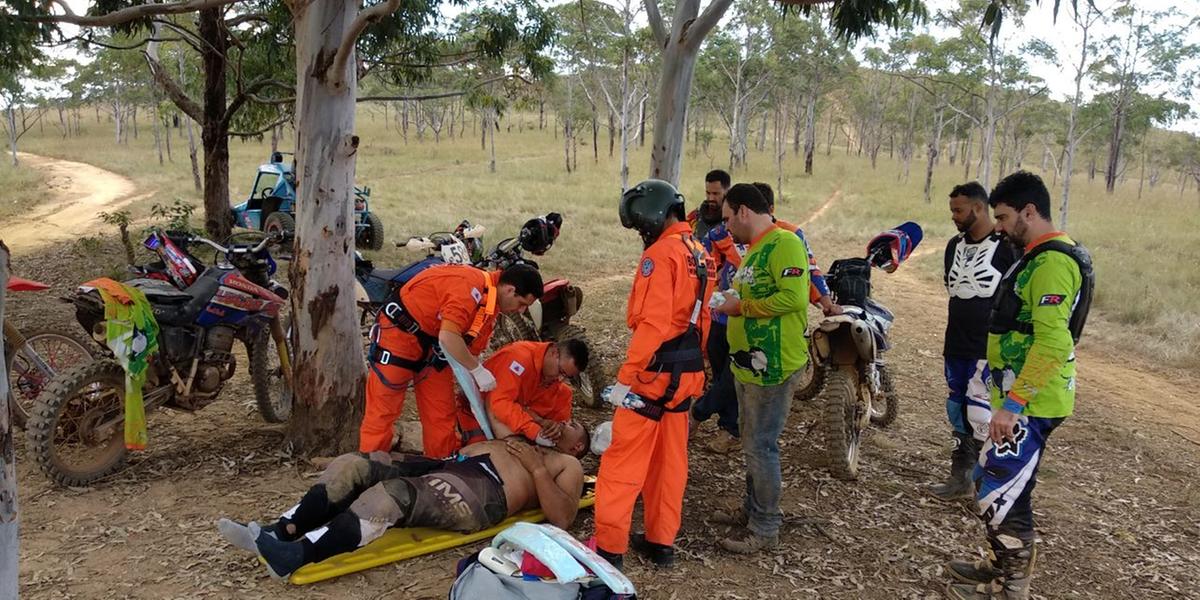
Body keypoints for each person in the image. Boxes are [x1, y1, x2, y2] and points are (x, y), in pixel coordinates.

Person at [947, 171, 1093, 600]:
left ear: (1030, 211)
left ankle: (1011, 586)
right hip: (1018, 395)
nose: (998, 226)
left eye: (1005, 216)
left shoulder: (1052, 263)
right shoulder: (1037, 254)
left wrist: (1012, 405)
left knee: (1001, 492)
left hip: (1029, 403)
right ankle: (1000, 563)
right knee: (995, 483)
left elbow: (1053, 340)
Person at [216, 429, 589, 580]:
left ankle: (296, 556)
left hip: (482, 493)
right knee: (353, 465)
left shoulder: (564, 464)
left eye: (571, 425)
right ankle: (279, 532)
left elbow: (563, 517)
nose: (560, 424)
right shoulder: (523, 435)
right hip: (447, 465)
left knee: (388, 496)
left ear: (577, 446)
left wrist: (537, 467)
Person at [594, 179, 715, 570]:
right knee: (670, 464)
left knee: (621, 464)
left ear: (651, 215)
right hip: (685, 376)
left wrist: (627, 377)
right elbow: (704, 318)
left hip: (651, 378)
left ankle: (610, 549)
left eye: (641, 226)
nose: (641, 234)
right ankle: (662, 543)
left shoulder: (660, 256)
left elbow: (653, 323)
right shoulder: (700, 252)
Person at [691, 182, 838, 454]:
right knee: (731, 379)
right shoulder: (723, 234)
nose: (728, 225)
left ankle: (703, 417)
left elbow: (807, 275)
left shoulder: (788, 238)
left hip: (763, 338)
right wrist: (713, 298)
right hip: (724, 320)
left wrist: (824, 300)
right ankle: (729, 426)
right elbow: (710, 268)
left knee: (731, 385)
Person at [712, 183, 812, 554]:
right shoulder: (755, 250)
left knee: (761, 447)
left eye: (727, 219)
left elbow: (794, 296)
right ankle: (753, 511)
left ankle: (765, 527)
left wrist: (743, 308)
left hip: (773, 364)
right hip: (750, 365)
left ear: (742, 211)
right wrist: (732, 299)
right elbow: (757, 293)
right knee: (752, 444)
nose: (724, 228)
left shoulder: (785, 242)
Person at [360, 263, 544, 458]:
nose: (521, 311)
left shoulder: (489, 304)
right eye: (522, 304)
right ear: (510, 290)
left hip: (434, 350)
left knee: (441, 415)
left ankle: (440, 465)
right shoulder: (467, 285)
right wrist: (477, 371)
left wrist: (475, 386)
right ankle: (368, 467)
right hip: (399, 337)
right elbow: (448, 337)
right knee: (382, 412)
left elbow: (467, 346)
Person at [931, 182, 1019, 501]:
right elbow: (952, 287)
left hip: (990, 347)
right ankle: (961, 477)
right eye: (952, 210)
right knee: (958, 407)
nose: (954, 216)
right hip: (956, 342)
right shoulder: (954, 246)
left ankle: (990, 486)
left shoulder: (1006, 247)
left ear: (979, 208)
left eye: (959, 210)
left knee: (984, 414)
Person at [457, 339, 590, 445]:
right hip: (476, 415)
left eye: (567, 377)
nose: (560, 379)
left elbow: (561, 430)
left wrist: (557, 428)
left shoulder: (561, 391)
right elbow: (499, 403)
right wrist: (534, 430)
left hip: (518, 433)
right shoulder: (518, 358)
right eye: (561, 372)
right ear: (554, 353)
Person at [686, 169, 730, 240]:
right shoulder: (694, 218)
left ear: (727, 192)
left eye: (715, 193)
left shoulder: (733, 222)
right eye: (708, 193)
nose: (711, 198)